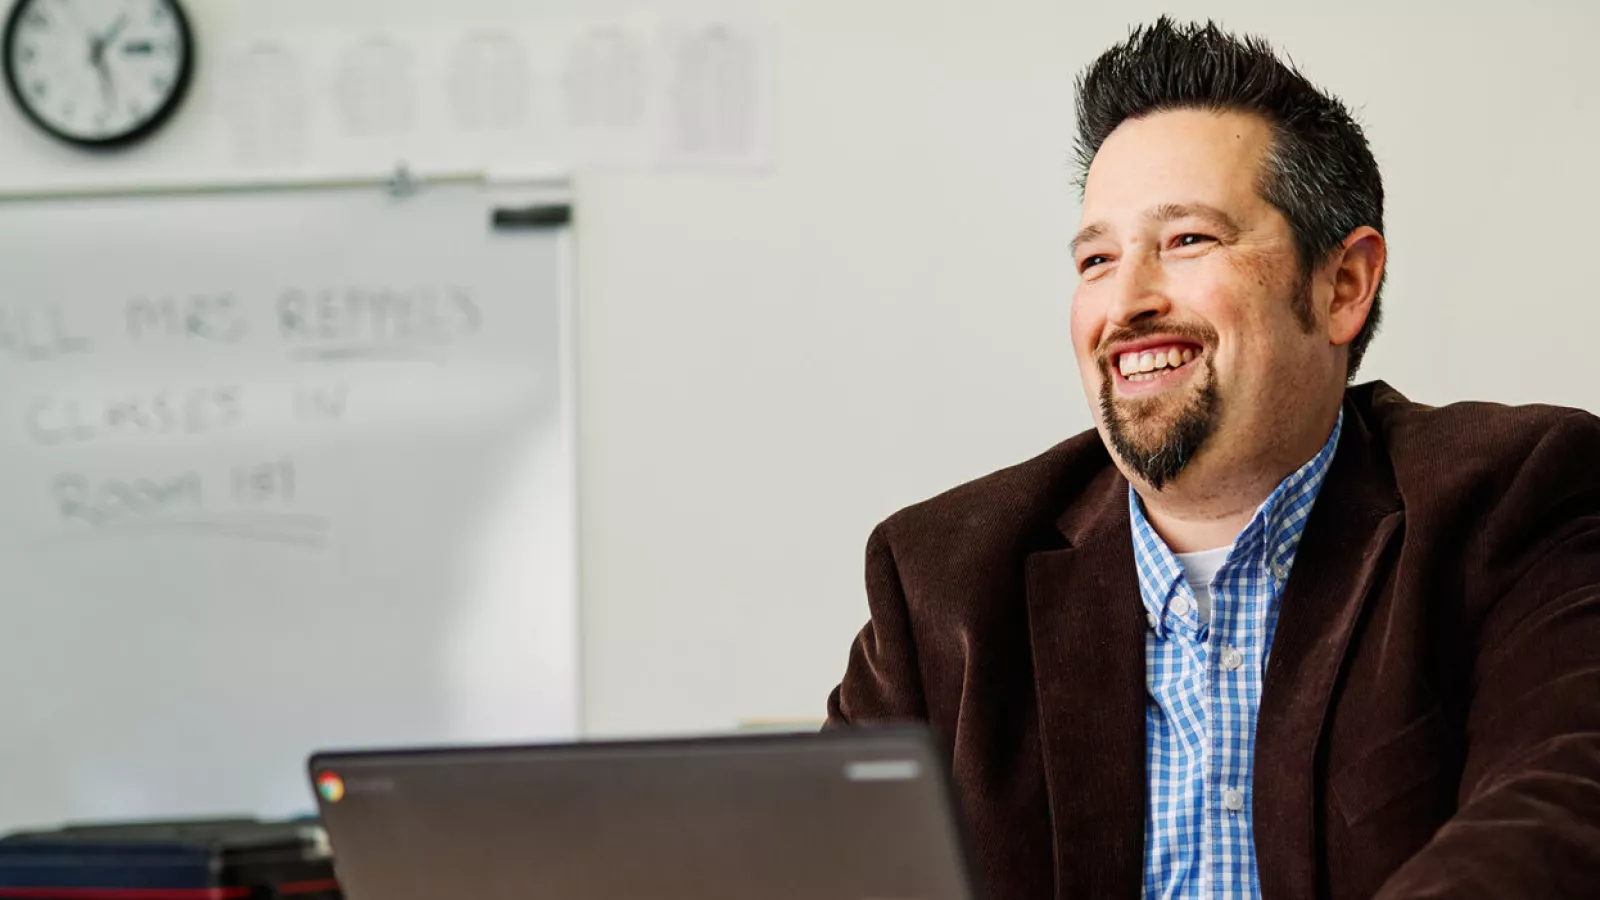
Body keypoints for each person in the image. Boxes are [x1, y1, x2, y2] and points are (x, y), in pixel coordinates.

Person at [826, 17, 1600, 900]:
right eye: (1096, 258)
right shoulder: (941, 580)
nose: (1126, 303)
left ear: (1343, 283)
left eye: (1188, 240)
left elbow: (1565, 805)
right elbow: (820, 868)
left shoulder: (1514, 497)